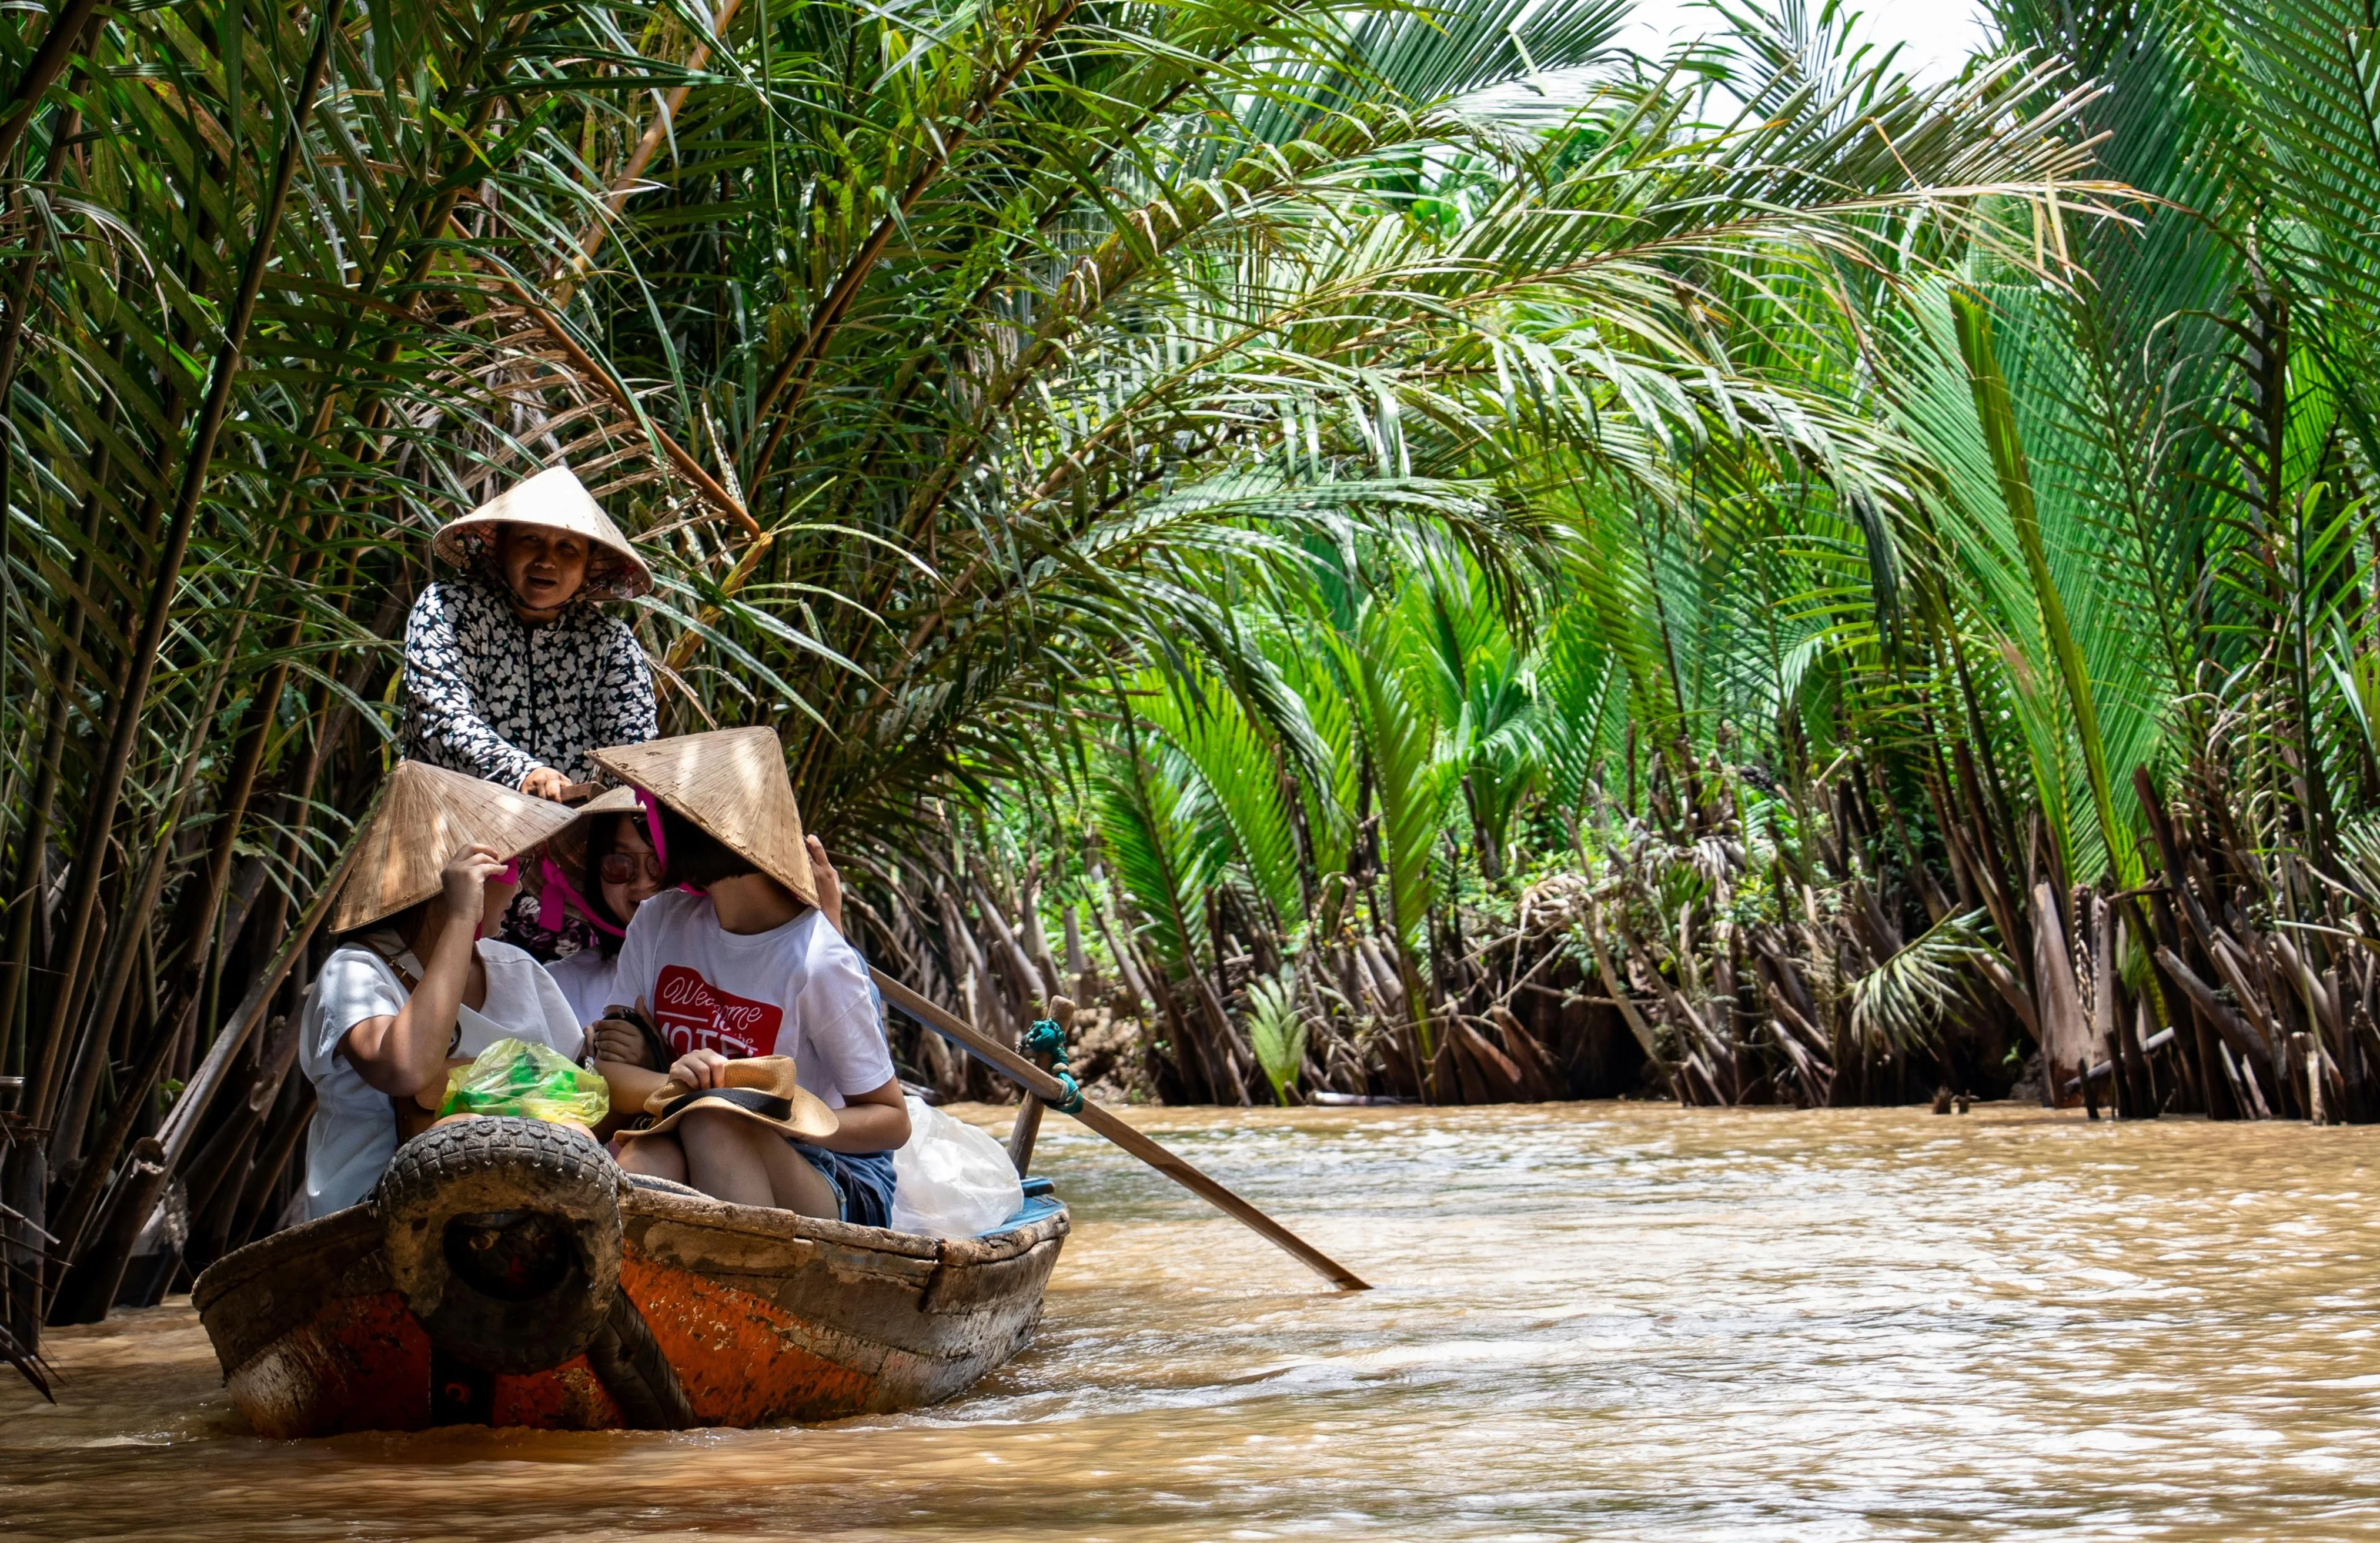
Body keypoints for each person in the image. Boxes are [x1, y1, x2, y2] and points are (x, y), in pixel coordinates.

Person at [587, 727, 908, 1224]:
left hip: (832, 1173)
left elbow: (892, 1121)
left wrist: (771, 1114)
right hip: (686, 1128)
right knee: (648, 1156)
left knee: (714, 1120)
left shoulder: (818, 960)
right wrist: (680, 1083)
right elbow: (610, 1069)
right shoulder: (658, 922)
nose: (649, 830)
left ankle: (751, 1287)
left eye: (655, 818)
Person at [295, 762, 587, 1220]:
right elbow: (406, 1070)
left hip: (524, 1217)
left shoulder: (517, 969)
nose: (519, 889)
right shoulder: (356, 971)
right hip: (374, 1220)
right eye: (513, 866)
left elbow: (574, 1092)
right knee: (466, 1139)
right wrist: (459, 919)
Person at [401, 464, 658, 801]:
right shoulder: (449, 606)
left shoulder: (608, 641)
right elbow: (439, 716)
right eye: (531, 540)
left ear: (587, 568)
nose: (547, 561)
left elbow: (633, 750)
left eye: (568, 548)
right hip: (449, 823)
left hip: (568, 835)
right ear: (503, 547)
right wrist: (524, 773)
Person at [541, 790, 666, 1027]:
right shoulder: (558, 986)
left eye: (659, 863)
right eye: (618, 863)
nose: (642, 882)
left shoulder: (737, 976)